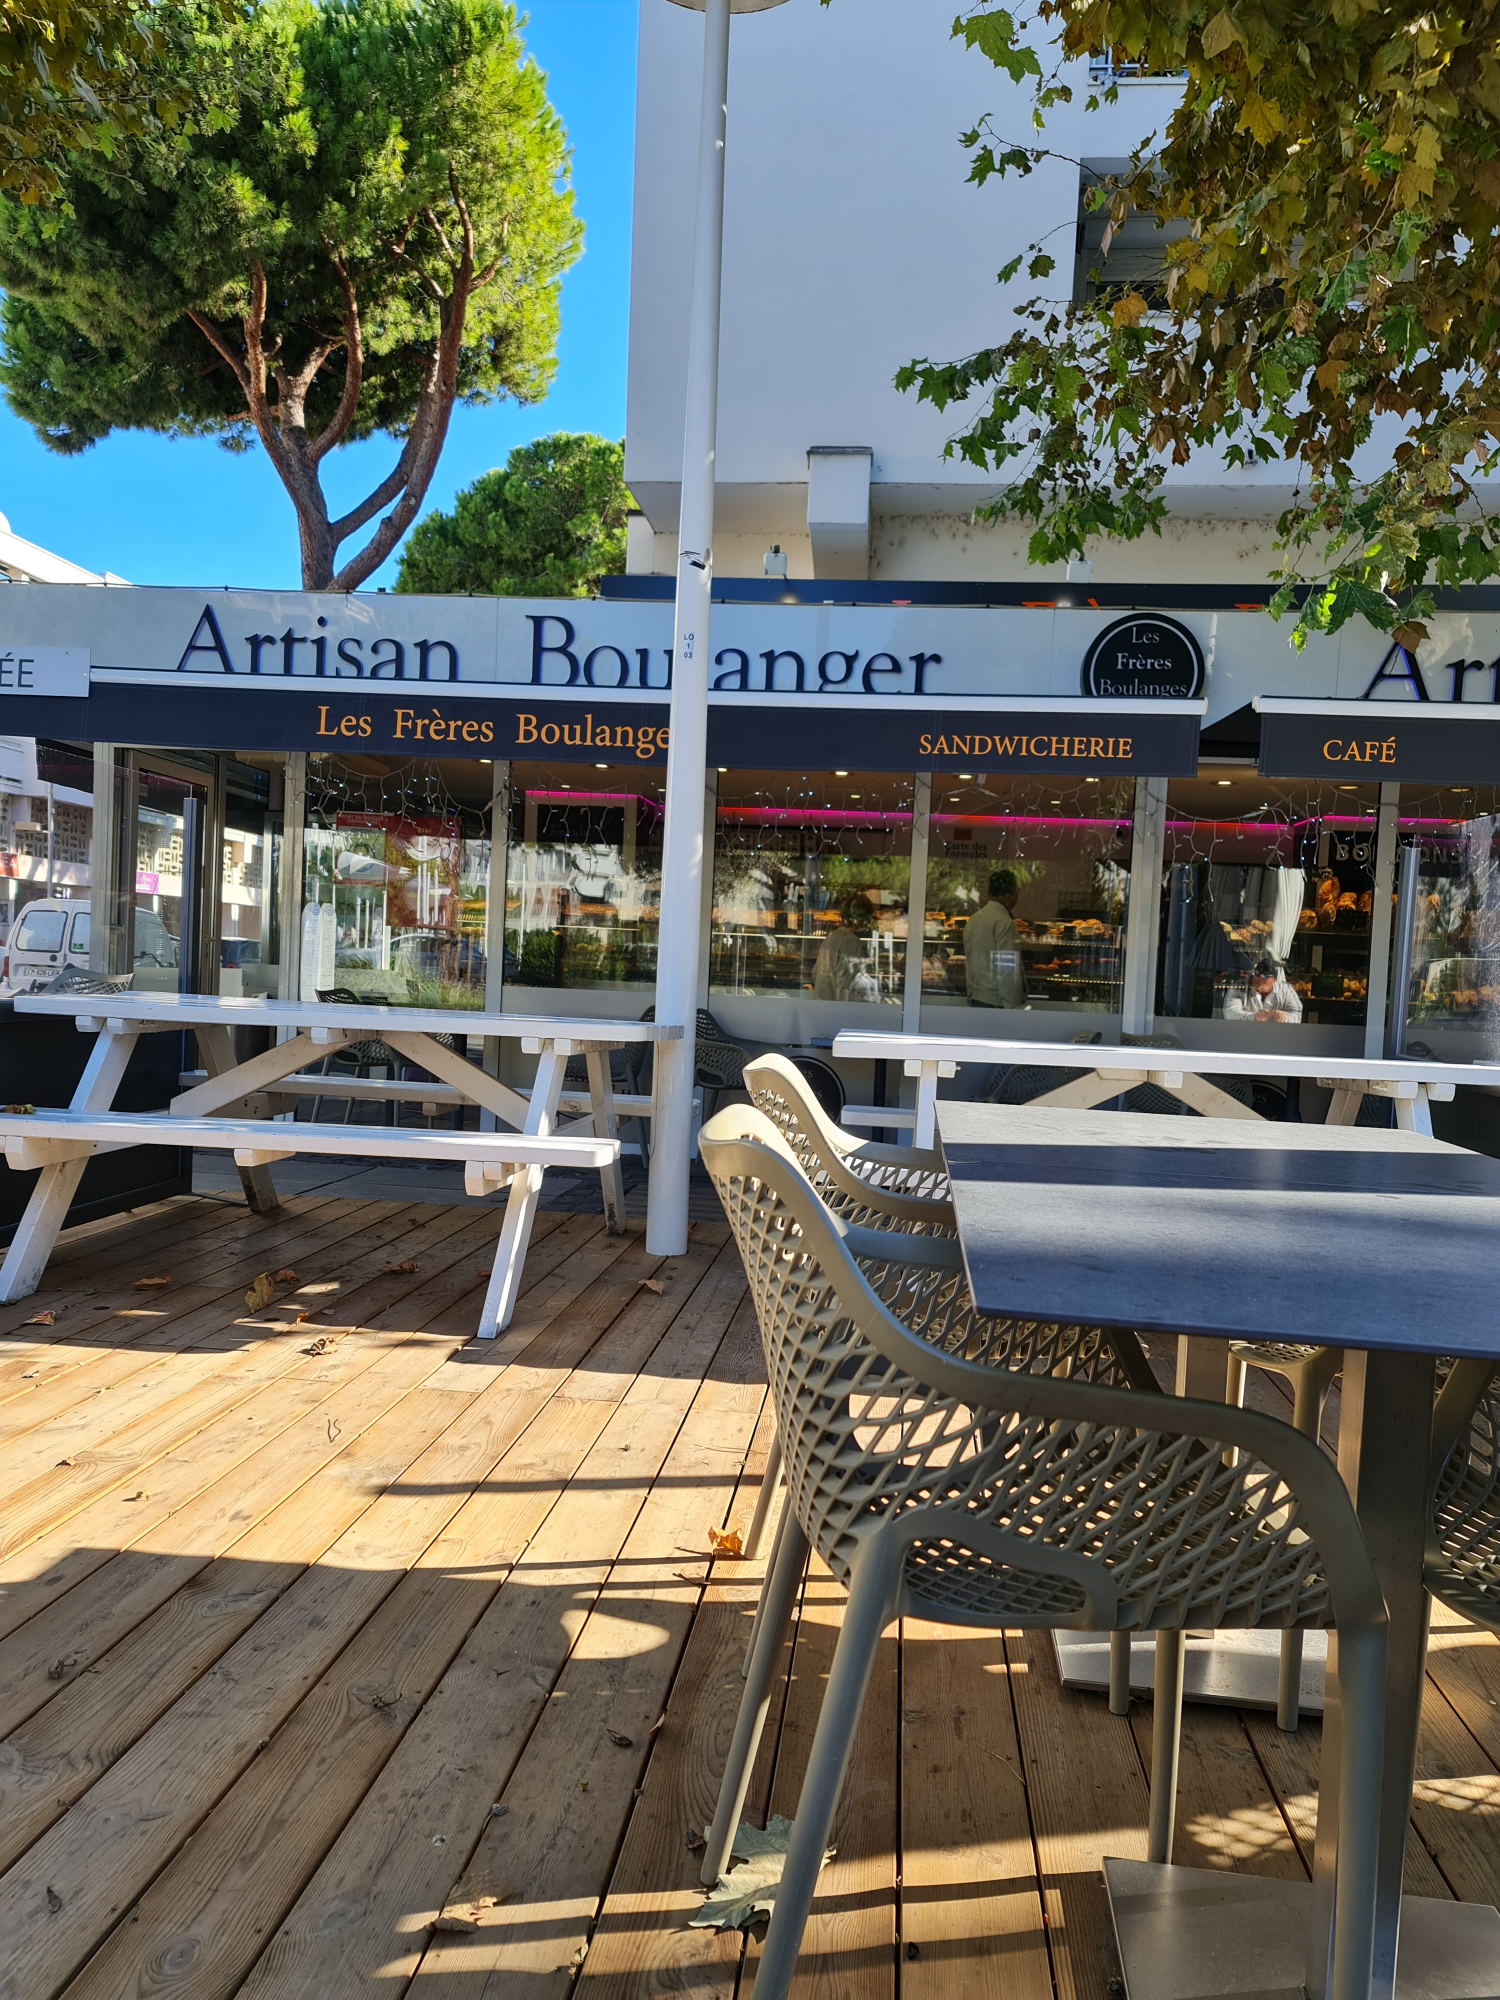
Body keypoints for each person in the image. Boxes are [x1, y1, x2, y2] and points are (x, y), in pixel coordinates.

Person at [963, 868, 1027, 1009]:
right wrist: (1013, 1008)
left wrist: (970, 996)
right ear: (1011, 893)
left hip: (976, 998)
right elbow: (1007, 972)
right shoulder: (1004, 922)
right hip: (997, 1002)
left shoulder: (973, 920)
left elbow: (969, 964)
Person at [813, 892, 878, 1000]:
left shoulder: (830, 938)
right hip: (839, 1006)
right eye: (867, 919)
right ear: (859, 919)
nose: (868, 925)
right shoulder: (851, 942)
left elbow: (815, 973)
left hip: (823, 1005)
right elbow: (850, 984)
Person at [1222, 952, 1304, 1023]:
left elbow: (1297, 1013)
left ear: (1274, 980)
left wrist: (1285, 1017)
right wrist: (1254, 1017)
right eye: (1256, 974)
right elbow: (1229, 1013)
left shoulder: (1285, 990)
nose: (1257, 978)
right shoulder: (1240, 987)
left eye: (1263, 976)